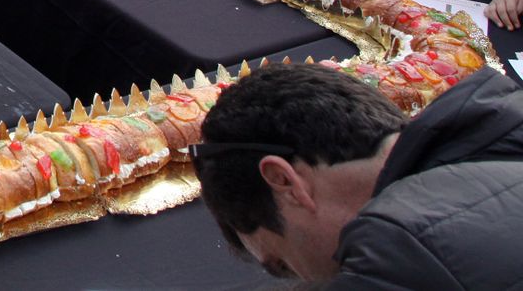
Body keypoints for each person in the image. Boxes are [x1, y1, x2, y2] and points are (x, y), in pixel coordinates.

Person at [194, 61, 523, 286]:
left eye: (282, 265)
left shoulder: (397, 256)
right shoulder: (505, 122)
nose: (304, 281)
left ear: (285, 182)